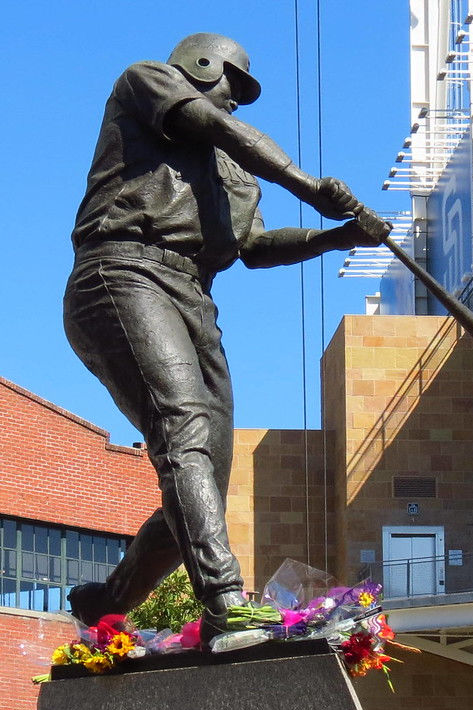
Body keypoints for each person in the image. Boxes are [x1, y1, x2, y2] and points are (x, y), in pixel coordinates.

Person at [63, 32, 390, 648]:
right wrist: (308, 185)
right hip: (124, 271)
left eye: (242, 94)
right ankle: (225, 602)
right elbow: (218, 126)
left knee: (205, 480)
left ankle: (108, 600)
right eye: (229, 86)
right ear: (199, 65)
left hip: (194, 297)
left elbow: (254, 249)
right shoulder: (148, 81)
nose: (235, 102)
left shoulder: (238, 173)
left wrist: (336, 238)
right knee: (183, 434)